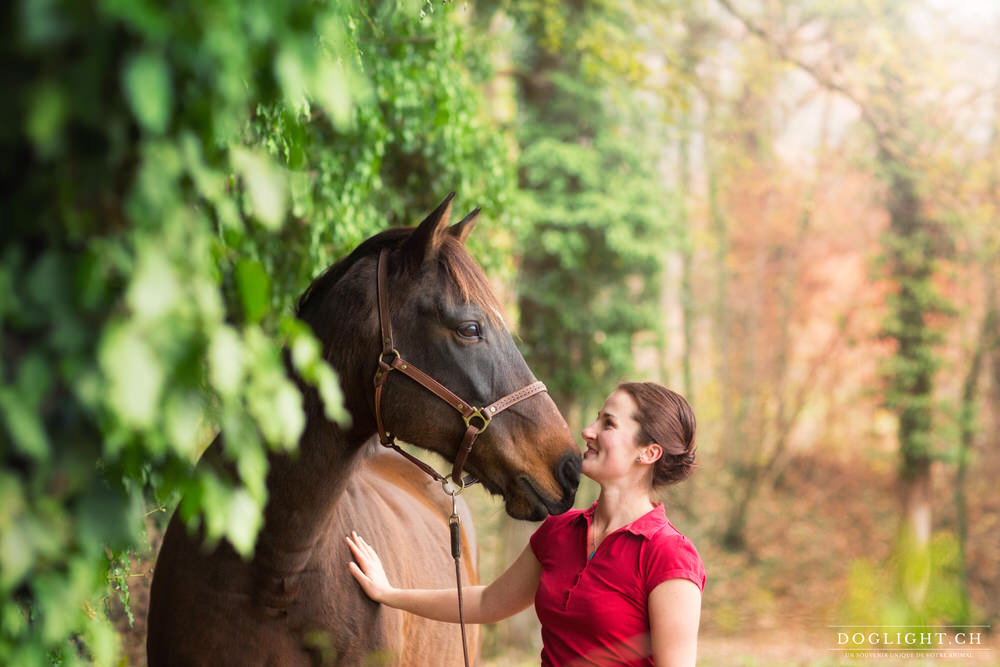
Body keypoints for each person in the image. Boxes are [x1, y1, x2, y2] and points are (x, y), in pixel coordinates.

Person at [347, 382, 704, 666]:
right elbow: (489, 602)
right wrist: (389, 594)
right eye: (597, 418)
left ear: (649, 452)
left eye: (608, 423)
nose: (587, 430)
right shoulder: (560, 532)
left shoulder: (669, 556)